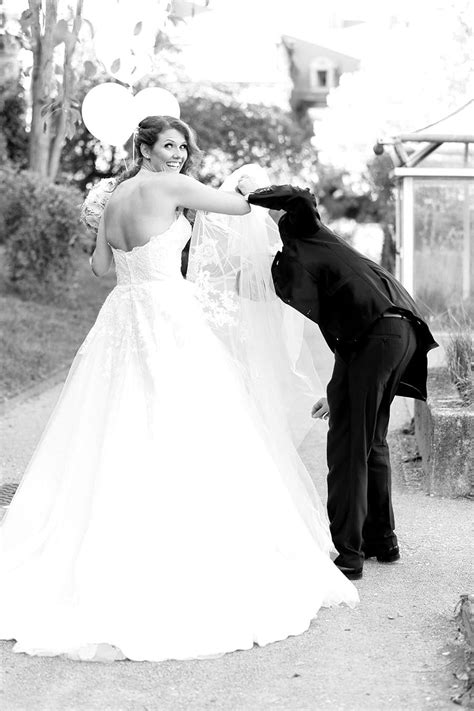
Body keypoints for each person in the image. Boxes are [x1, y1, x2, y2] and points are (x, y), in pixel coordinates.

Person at [0, 117, 357, 663]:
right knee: (188, 422)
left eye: (182, 146)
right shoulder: (171, 187)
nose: (177, 154)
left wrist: (99, 222)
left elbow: (100, 267)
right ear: (143, 147)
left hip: (121, 313)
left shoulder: (114, 195)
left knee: (112, 423)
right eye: (168, 145)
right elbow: (239, 208)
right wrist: (247, 180)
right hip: (168, 314)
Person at [240, 184, 438, 581]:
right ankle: (382, 540)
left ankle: (348, 554)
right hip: (394, 333)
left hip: (379, 333)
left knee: (348, 445)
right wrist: (337, 394)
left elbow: (297, 196)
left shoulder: (306, 232)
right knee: (371, 441)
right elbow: (345, 326)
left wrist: (248, 197)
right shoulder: (296, 263)